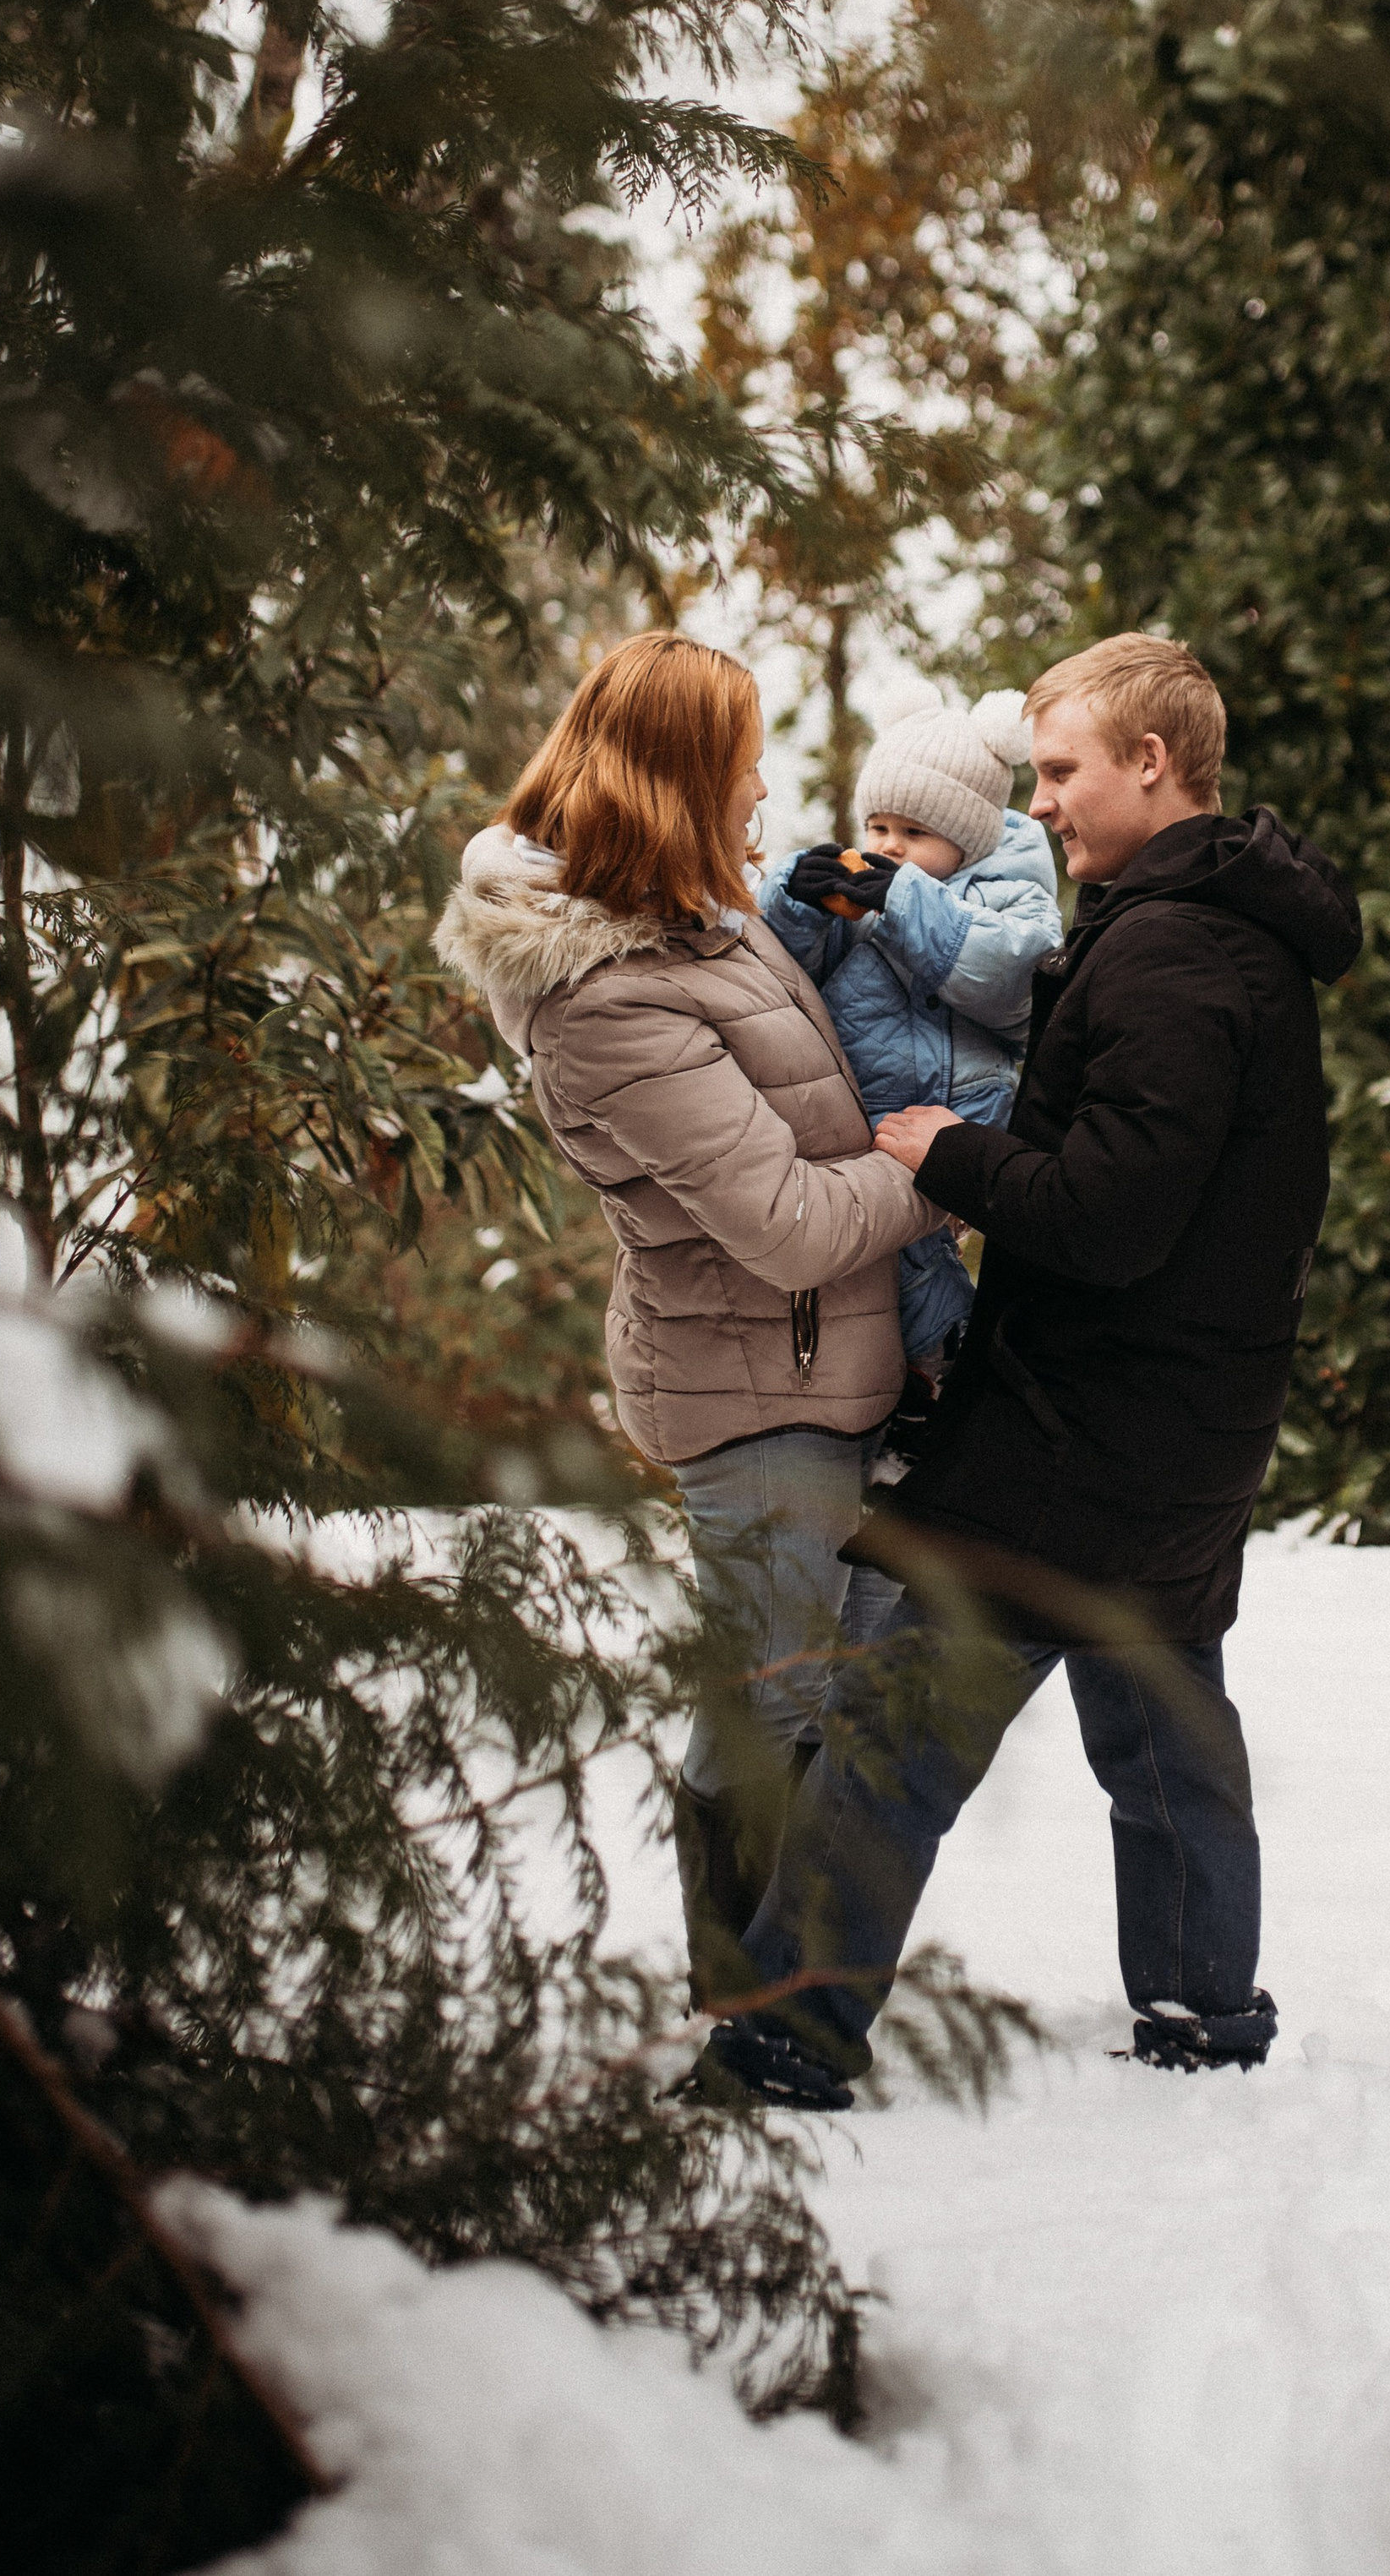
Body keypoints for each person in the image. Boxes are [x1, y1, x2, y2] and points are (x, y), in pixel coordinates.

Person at [704, 634, 1361, 2108]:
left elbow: (1116, 1210)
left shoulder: (1179, 950)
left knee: (895, 1723)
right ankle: (1202, 2007)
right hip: (1187, 1419)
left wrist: (952, 1151)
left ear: (1152, 763)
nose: (1042, 804)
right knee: (1159, 1711)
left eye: (1061, 773)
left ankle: (783, 2036)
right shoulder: (1208, 926)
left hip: (1086, 1424)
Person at [433, 629, 937, 1999]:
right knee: (770, 1693)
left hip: (830, 1365)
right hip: (754, 1386)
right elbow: (779, 1222)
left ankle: (799, 1978)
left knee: (829, 1691)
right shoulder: (602, 997)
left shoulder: (699, 922)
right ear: (679, 779)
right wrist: (933, 1169)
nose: (763, 789)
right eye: (743, 763)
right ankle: (744, 1991)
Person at [755, 681, 1063, 1468]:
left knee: (913, 1250)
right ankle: (918, 1396)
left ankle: (954, 1364)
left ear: (967, 836)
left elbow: (1008, 976)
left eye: (915, 831)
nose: (889, 845)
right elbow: (786, 973)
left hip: (956, 1113)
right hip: (869, 1116)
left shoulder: (1007, 891)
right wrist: (799, 900)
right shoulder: (872, 885)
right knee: (872, 1259)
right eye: (878, 826)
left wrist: (905, 900)